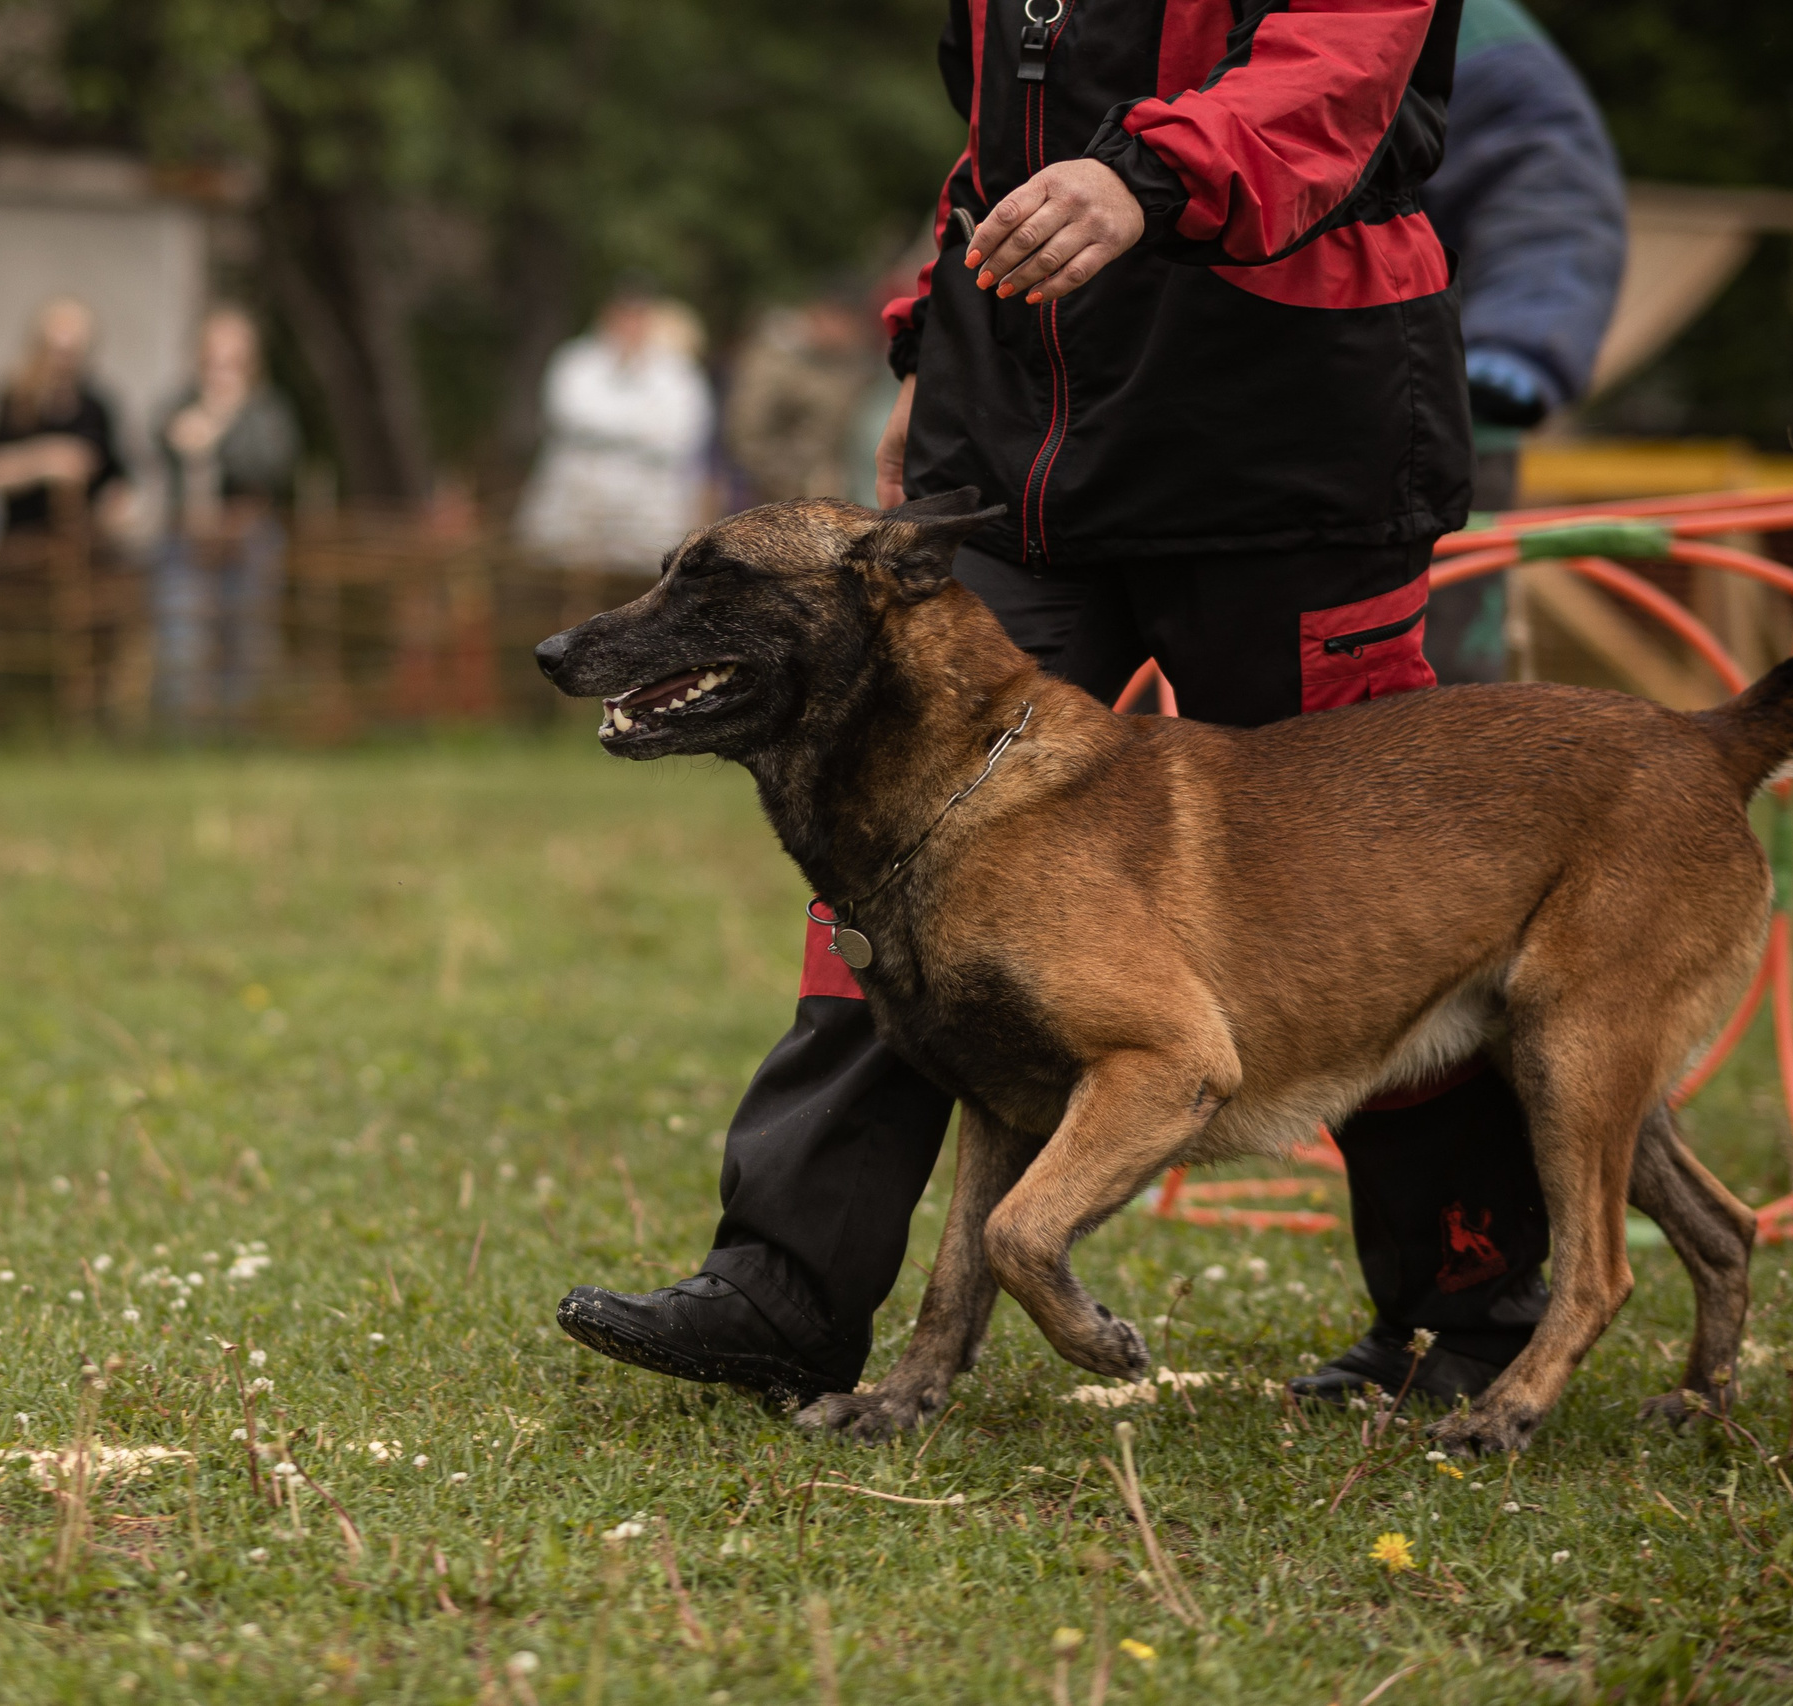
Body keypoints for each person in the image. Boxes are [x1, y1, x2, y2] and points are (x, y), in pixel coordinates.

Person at [560, 0, 1556, 1413]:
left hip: (1283, 454)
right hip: (1016, 451)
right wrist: (930, 338)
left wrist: (1144, 180)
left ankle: (1468, 1312)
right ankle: (785, 1285)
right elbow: (999, 145)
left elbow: (1330, 81)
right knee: (882, 848)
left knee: (1366, 892)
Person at [1417, 0, 1627, 686]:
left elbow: (1546, 177)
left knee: (1422, 725)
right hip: (1136, 422)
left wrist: (1520, 335)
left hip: (1421, 416)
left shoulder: (1461, 26)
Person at [153, 306, 299, 733]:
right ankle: (182, 739)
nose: (222, 370)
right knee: (182, 642)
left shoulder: (267, 412)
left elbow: (273, 467)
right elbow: (159, 444)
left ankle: (240, 737)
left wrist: (222, 426)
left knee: (246, 643)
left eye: (233, 360)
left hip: (246, 540)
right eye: (214, 358)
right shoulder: (178, 404)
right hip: (188, 539)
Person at [514, 282, 714, 572]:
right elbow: (569, 417)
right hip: (578, 498)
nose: (630, 324)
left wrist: (607, 429)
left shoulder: (676, 372)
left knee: (639, 584)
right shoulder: (576, 362)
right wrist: (641, 428)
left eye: (639, 315)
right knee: (566, 571)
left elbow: (679, 436)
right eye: (624, 314)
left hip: (648, 507)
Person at [0, 297, 126, 543]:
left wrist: (114, 510)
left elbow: (118, 480)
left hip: (81, 546)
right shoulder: (14, 400)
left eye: (72, 352)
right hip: (21, 545)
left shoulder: (96, 406)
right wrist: (45, 462)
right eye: (56, 351)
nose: (63, 362)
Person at [722, 283, 881, 503]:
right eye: (838, 318)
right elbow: (747, 433)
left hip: (842, 496)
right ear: (817, 313)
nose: (845, 330)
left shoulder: (854, 366)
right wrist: (792, 482)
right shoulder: (775, 361)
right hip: (782, 498)